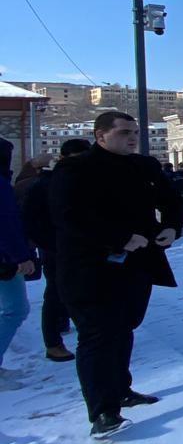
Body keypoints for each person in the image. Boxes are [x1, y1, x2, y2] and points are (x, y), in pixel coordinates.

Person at [49, 112, 183, 438]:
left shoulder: (144, 166)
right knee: (97, 336)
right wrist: (119, 238)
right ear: (101, 136)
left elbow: (172, 199)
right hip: (89, 270)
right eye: (124, 132)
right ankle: (103, 413)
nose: (132, 137)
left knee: (124, 328)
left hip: (135, 267)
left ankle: (122, 390)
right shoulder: (75, 170)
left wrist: (171, 226)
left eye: (135, 132)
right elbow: (69, 217)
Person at [18, 138, 92, 362]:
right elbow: (30, 221)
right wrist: (51, 245)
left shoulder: (88, 181)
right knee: (56, 294)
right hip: (58, 250)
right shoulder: (46, 183)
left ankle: (73, 328)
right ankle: (53, 343)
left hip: (83, 249)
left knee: (82, 292)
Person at [0, 138, 36, 383]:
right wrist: (21, 257)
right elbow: (8, 223)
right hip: (5, 258)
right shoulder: (1, 186)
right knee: (15, 309)